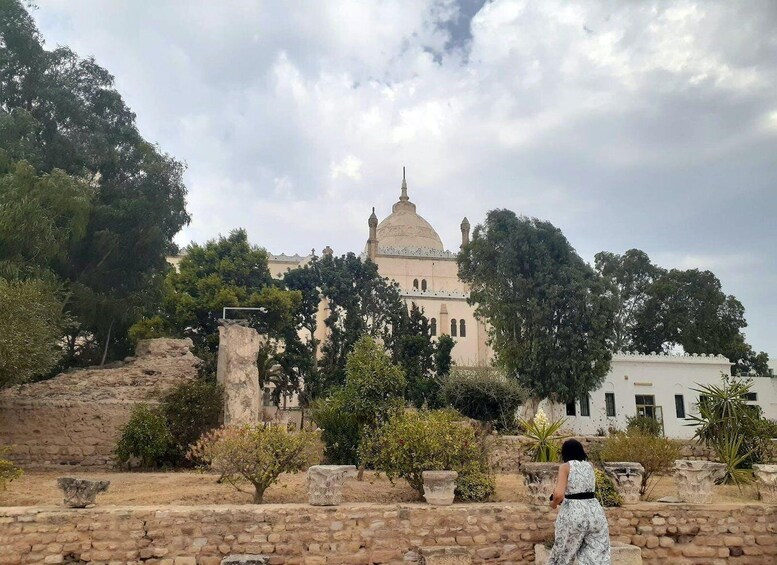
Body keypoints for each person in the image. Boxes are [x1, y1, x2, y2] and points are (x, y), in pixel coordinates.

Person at [547, 439, 611, 565]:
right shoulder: (589, 466)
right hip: (595, 512)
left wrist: (553, 503)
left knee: (562, 554)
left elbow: (559, 494)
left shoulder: (565, 467)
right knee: (597, 555)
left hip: (574, 513)